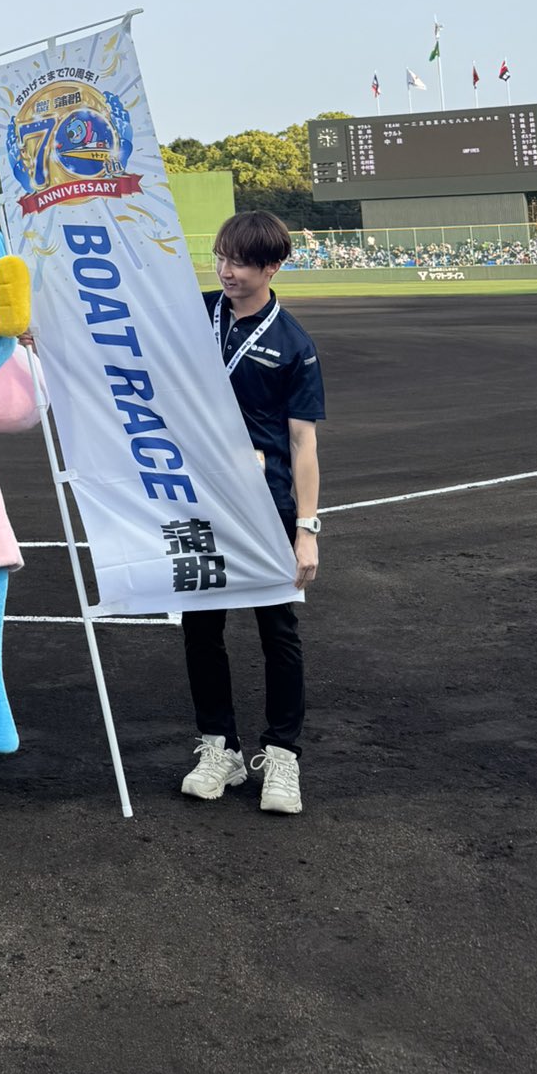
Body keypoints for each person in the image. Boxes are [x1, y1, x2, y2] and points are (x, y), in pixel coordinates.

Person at [180, 210, 324, 815]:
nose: (226, 271)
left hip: (267, 507)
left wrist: (306, 530)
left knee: (277, 631)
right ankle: (220, 748)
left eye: (239, 262)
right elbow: (121, 338)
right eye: (220, 257)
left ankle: (282, 755)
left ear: (272, 267)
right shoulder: (195, 312)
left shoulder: (294, 345)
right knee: (200, 628)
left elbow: (303, 444)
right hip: (198, 498)